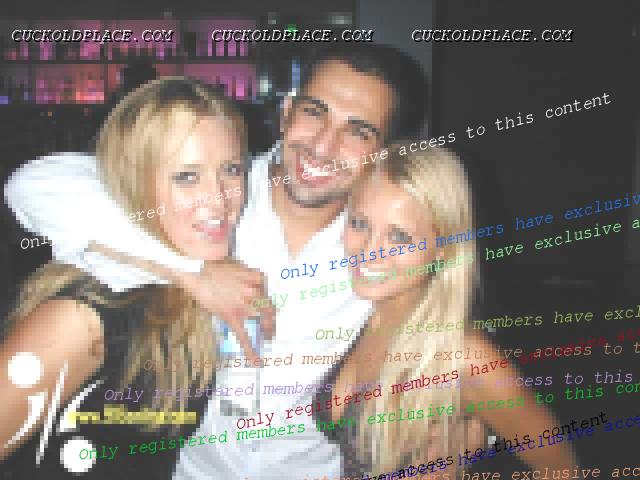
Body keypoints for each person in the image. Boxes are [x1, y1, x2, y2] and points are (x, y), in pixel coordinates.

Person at [4, 44, 430, 479]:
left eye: (359, 132)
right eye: (314, 112)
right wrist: (196, 273)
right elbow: (32, 186)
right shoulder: (214, 203)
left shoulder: (378, 249)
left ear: (386, 151)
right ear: (286, 112)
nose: (323, 145)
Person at [0, 77, 253, 478]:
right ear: (134, 185)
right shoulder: (83, 316)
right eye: (187, 176)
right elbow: (30, 182)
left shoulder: (180, 288)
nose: (219, 199)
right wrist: (191, 272)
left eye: (231, 170)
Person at [314, 146, 577, 478]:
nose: (369, 251)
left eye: (399, 236)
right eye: (360, 223)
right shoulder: (369, 312)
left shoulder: (466, 357)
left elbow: (562, 468)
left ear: (444, 247)